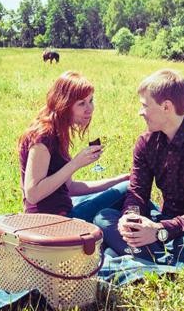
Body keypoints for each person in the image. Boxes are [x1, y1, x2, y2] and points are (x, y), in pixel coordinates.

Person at [94, 69, 184, 268]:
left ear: (166, 107)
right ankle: (167, 263)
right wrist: (130, 218)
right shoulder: (146, 142)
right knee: (104, 217)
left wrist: (160, 231)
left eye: (145, 105)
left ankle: (141, 257)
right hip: (160, 221)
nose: (140, 112)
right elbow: (137, 191)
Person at [18, 71, 129, 221]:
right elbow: (33, 194)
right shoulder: (44, 137)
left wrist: (117, 180)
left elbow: (69, 188)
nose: (89, 108)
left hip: (63, 210)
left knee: (122, 185)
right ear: (64, 104)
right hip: (51, 221)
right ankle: (157, 226)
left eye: (91, 101)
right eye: (81, 103)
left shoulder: (58, 131)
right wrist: (76, 163)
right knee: (128, 187)